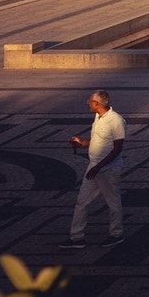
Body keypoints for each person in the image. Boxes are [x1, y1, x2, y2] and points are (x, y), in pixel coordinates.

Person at [60, 89, 126, 248]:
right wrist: (81, 143)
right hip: (94, 168)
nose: (88, 104)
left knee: (113, 202)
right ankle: (76, 237)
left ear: (97, 104)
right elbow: (98, 141)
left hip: (108, 169)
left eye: (90, 102)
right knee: (82, 201)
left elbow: (117, 148)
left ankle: (116, 234)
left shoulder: (116, 121)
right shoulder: (98, 117)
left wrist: (99, 167)